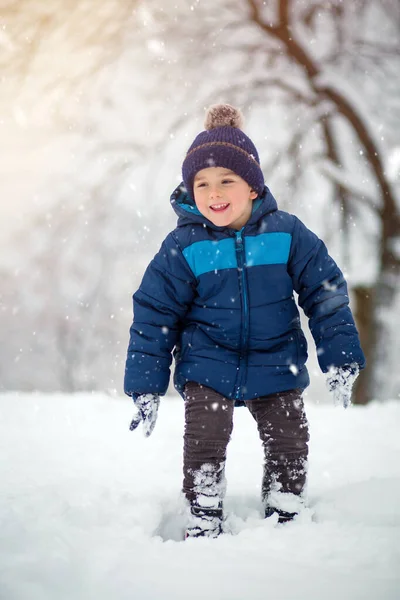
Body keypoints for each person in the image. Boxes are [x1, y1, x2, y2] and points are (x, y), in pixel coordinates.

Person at [124, 104, 365, 538]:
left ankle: (286, 505)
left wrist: (341, 356)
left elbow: (325, 292)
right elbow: (155, 313)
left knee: (289, 438)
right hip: (208, 360)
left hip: (276, 357)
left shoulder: (286, 233)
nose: (213, 193)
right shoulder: (184, 245)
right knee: (205, 439)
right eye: (202, 183)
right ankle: (203, 510)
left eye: (226, 181)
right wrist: (145, 383)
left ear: (253, 187)